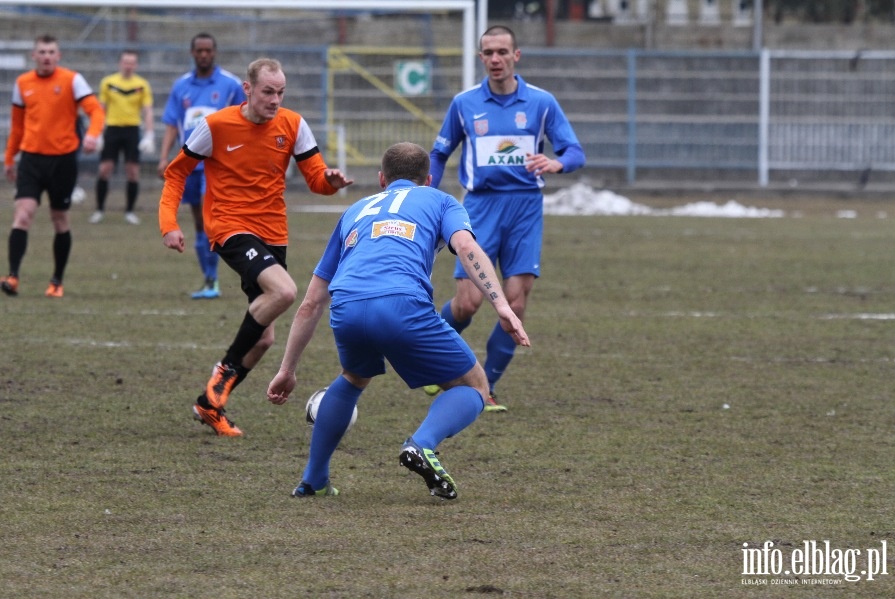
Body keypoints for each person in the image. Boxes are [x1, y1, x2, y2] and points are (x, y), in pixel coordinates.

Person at [266, 142, 531, 500]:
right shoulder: (439, 200)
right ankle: (422, 444)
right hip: (400, 304)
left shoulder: (355, 211)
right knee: (475, 387)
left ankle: (313, 480)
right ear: (429, 179)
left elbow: (311, 302)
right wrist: (501, 305)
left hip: (346, 308)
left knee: (353, 377)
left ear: (381, 179)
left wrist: (288, 369)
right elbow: (467, 248)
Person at [159, 58, 352, 437]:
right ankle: (223, 374)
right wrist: (169, 224)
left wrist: (330, 181)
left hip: (273, 232)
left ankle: (210, 404)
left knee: (264, 337)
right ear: (247, 89)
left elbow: (315, 178)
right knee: (284, 291)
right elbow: (176, 172)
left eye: (280, 92)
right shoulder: (215, 126)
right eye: (268, 92)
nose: (275, 99)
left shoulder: (293, 124)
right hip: (230, 227)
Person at [428, 25, 585, 411]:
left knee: (514, 304)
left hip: (525, 209)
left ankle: (487, 387)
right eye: (488, 53)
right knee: (467, 304)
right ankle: (433, 360)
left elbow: (575, 151)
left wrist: (556, 162)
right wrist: (427, 193)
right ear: (481, 57)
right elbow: (438, 154)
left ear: (516, 55)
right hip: (479, 208)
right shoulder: (464, 104)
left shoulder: (541, 102)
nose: (495, 59)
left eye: (502, 52)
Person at [1, 34, 105, 299]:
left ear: (58, 56)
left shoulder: (72, 79)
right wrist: (9, 157)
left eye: (51, 52)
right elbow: (18, 126)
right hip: (31, 159)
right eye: (42, 52)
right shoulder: (23, 83)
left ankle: (56, 280)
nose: (46, 56)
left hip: (63, 161)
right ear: (34, 56)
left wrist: (93, 134)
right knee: (23, 214)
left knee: (59, 219)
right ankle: (12, 276)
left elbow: (96, 111)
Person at [158, 32, 244, 299]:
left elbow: (245, 120)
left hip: (218, 163)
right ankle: (209, 279)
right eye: (199, 50)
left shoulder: (230, 84)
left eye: (208, 50)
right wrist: (164, 157)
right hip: (191, 162)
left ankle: (218, 279)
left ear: (214, 52)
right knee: (198, 222)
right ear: (192, 52)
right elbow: (173, 124)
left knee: (210, 219)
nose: (204, 54)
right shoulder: (181, 86)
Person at [90, 49, 155, 225]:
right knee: (105, 169)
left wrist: (149, 134)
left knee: (133, 172)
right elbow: (100, 108)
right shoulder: (108, 82)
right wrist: (97, 133)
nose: (128, 65)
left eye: (132, 62)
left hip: (132, 130)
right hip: (112, 129)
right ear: (120, 63)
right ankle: (99, 209)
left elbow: (147, 110)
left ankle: (129, 211)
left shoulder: (142, 84)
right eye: (125, 61)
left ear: (136, 65)